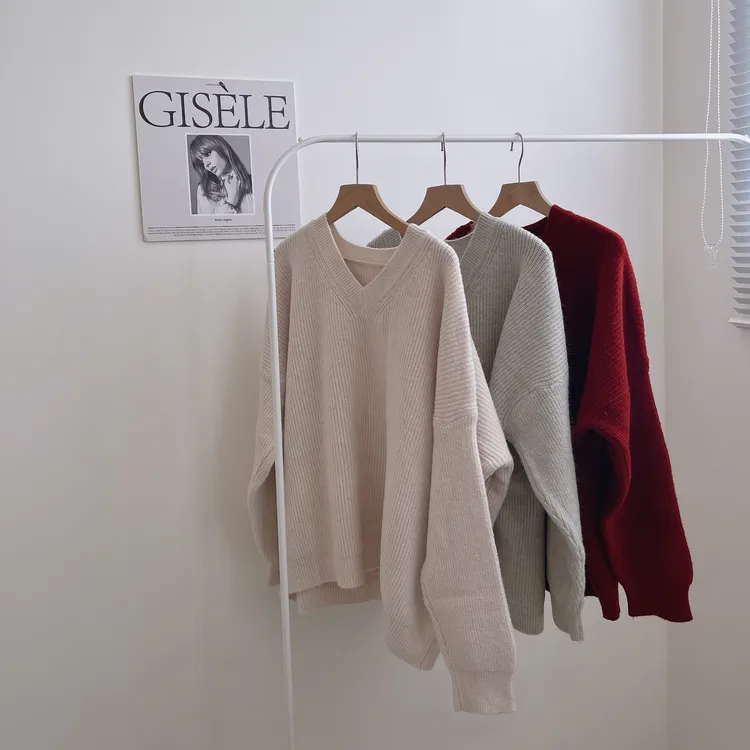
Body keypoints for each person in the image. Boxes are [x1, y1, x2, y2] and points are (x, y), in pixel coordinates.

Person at [189, 135, 253, 214]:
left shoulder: (254, 183)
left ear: (221, 147)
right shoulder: (204, 190)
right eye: (202, 162)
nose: (206, 165)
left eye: (207, 154)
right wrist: (231, 203)